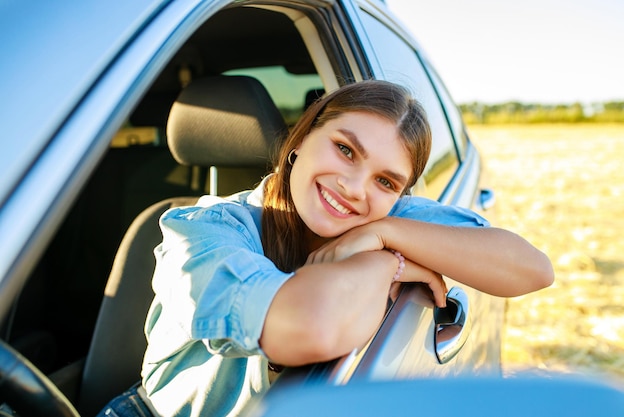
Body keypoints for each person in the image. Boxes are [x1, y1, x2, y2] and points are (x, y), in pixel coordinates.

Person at [98, 80, 554, 417]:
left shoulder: (384, 220)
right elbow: (306, 324)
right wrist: (387, 264)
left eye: (385, 181)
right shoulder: (202, 229)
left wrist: (382, 235)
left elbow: (533, 269)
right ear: (301, 141)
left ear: (402, 196)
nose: (355, 189)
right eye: (345, 150)